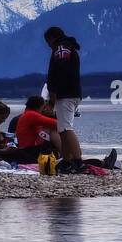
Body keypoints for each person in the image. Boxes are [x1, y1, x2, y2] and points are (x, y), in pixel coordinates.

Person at [45, 26, 83, 164]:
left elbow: (60, 71)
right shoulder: (67, 47)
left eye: (48, 42)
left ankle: (78, 161)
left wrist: (53, 94)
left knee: (66, 128)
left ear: (51, 38)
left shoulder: (61, 49)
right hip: (71, 93)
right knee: (62, 130)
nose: (48, 46)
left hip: (66, 94)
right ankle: (67, 160)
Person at [9, 96, 61, 163]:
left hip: (25, 148)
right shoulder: (32, 115)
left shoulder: (26, 114)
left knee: (50, 129)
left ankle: (62, 154)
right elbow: (57, 124)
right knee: (52, 130)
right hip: (30, 150)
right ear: (40, 106)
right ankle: (63, 154)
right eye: (44, 107)